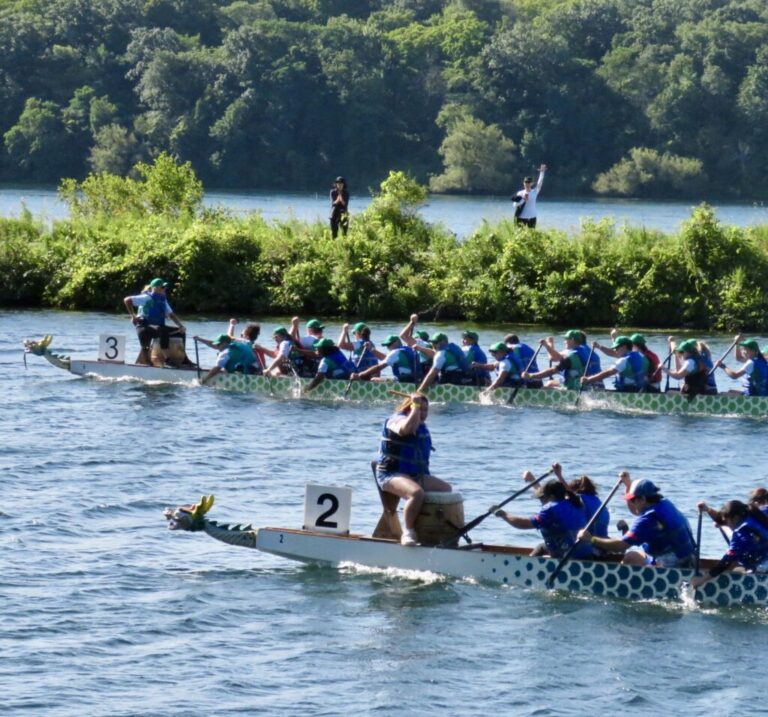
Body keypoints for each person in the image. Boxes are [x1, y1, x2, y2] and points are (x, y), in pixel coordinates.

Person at [375, 393, 452, 546]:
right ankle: (408, 531)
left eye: (425, 410)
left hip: (415, 475)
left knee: (446, 490)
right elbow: (406, 430)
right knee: (416, 493)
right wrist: (415, 407)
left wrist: (417, 409)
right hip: (391, 474)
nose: (422, 414)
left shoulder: (421, 425)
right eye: (419, 409)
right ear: (408, 407)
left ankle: (430, 530)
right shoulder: (395, 420)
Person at [578, 475, 696, 567]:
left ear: (643, 499)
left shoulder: (648, 519)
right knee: (630, 557)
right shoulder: (663, 502)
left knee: (630, 557)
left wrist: (591, 539)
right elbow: (636, 511)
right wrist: (627, 484)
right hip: (689, 557)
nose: (632, 503)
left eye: (633, 500)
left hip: (671, 564)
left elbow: (621, 546)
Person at [493, 474, 592, 559]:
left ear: (551, 497)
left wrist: (503, 514)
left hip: (568, 558)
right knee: (541, 547)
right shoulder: (575, 503)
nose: (541, 502)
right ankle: (530, 561)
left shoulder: (550, 509)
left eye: (542, 498)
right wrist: (532, 479)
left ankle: (527, 569)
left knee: (546, 546)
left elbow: (522, 524)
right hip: (586, 553)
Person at [691, 500, 768, 589]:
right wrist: (708, 510)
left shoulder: (741, 534)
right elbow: (724, 518)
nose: (726, 524)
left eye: (727, 522)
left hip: (763, 569)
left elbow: (725, 562)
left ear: (735, 518)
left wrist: (701, 580)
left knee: (737, 567)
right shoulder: (758, 512)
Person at [123, 278, 188, 366]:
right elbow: (127, 300)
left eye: (165, 287)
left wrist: (181, 326)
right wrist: (133, 316)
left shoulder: (163, 300)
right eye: (163, 287)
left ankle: (184, 359)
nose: (165, 289)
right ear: (156, 288)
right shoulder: (147, 297)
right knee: (161, 332)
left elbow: (171, 315)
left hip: (156, 328)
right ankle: (167, 359)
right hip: (144, 327)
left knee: (180, 332)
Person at [552, 462, 610, 539]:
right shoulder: (597, 500)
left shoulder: (581, 498)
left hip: (590, 540)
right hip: (603, 540)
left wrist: (559, 475)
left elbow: (570, 494)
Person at [597, 331, 662, 392]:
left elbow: (617, 354)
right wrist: (613, 340)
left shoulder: (641, 356)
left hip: (648, 388)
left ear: (635, 345)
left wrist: (601, 346)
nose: (630, 346)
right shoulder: (649, 355)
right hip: (655, 387)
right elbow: (619, 354)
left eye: (631, 344)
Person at [581, 336, 649, 392]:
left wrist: (588, 379)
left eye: (616, 348)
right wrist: (599, 347)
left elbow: (607, 373)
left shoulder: (623, 360)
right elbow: (614, 354)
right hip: (641, 390)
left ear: (623, 347)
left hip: (627, 391)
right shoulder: (642, 357)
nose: (615, 350)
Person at [350, 335, 420, 384]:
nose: (388, 347)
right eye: (387, 346)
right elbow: (385, 358)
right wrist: (371, 349)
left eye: (389, 344)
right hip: (415, 379)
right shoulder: (409, 349)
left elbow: (379, 367)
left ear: (397, 342)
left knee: (373, 379)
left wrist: (360, 375)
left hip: (402, 381)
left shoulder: (395, 352)